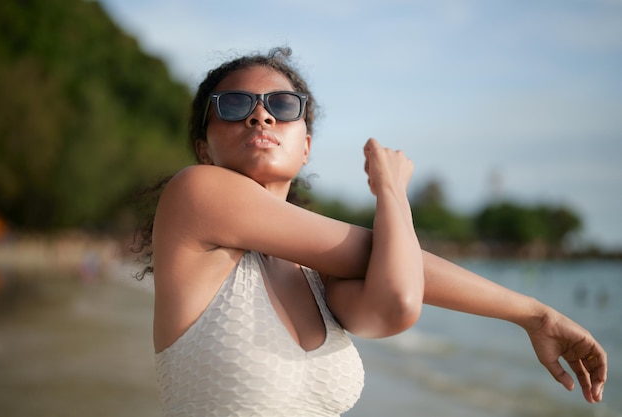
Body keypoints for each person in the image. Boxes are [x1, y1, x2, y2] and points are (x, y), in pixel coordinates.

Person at [136, 47, 607, 417]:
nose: (260, 116)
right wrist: (392, 191)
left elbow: (398, 302)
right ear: (203, 147)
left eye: (282, 104)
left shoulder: (319, 274)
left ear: (306, 147)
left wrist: (538, 318)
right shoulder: (195, 192)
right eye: (236, 105)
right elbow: (387, 265)